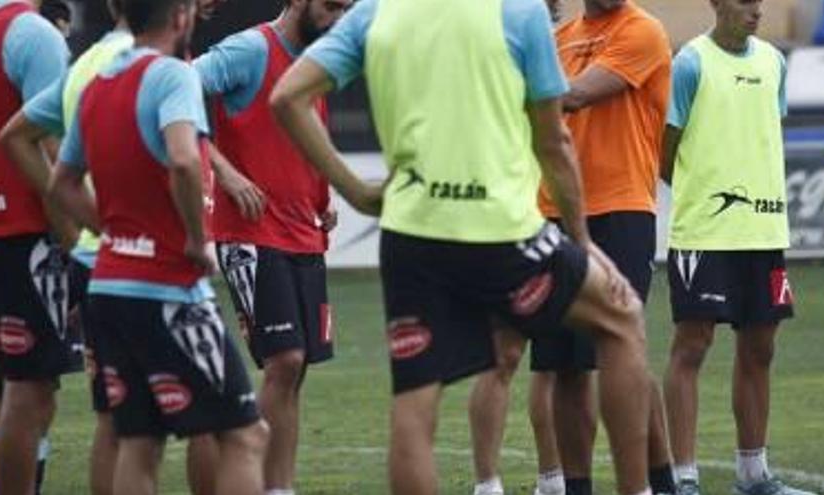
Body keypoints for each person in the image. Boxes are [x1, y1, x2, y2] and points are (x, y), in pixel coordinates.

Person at [272, 0, 656, 494]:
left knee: (415, 400)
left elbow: (287, 97)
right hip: (502, 231)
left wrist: (356, 190)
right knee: (621, 318)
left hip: (412, 236)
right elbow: (553, 142)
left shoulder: (374, 13)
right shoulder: (520, 13)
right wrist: (581, 242)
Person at [0, 0, 234, 493]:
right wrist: (167, 233)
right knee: (218, 423)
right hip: (158, 267)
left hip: (102, 263)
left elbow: (18, 136)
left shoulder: (88, 63)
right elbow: (183, 160)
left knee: (122, 423)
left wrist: (96, 227)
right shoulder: (159, 67)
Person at [48, 0, 268, 493]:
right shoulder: (173, 75)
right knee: (245, 434)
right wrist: (195, 238)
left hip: (108, 286)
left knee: (140, 440)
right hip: (169, 290)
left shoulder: (98, 83)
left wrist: (116, 233)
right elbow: (186, 161)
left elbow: (61, 183)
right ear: (180, 17)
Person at [468, 1, 676, 495]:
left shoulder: (643, 30)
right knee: (561, 364)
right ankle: (575, 486)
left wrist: (497, 88)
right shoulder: (559, 39)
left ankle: (657, 481)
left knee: (622, 345)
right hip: (554, 211)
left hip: (620, 209)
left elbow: (576, 95)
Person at [193, 2, 349, 494]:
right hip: (251, 233)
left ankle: (278, 487)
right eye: (331, 5)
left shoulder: (319, 59)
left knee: (295, 370)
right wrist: (224, 171)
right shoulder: (246, 50)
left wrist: (320, 195)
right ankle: (245, 477)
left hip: (302, 229)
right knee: (284, 361)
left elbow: (305, 131)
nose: (337, 18)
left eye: (346, 8)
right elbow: (173, 92)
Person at [661, 1, 815, 495]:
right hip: (706, 233)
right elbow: (666, 150)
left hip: (765, 231)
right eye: (744, 1)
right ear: (717, 3)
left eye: (759, 2)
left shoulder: (774, 62)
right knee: (692, 346)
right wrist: (702, 195)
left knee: (760, 348)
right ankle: (683, 478)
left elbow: (765, 135)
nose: (755, 11)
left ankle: (754, 475)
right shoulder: (690, 62)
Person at [0, 0, 71, 493]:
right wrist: (76, 239)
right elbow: (51, 147)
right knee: (30, 392)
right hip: (26, 237)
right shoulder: (33, 34)